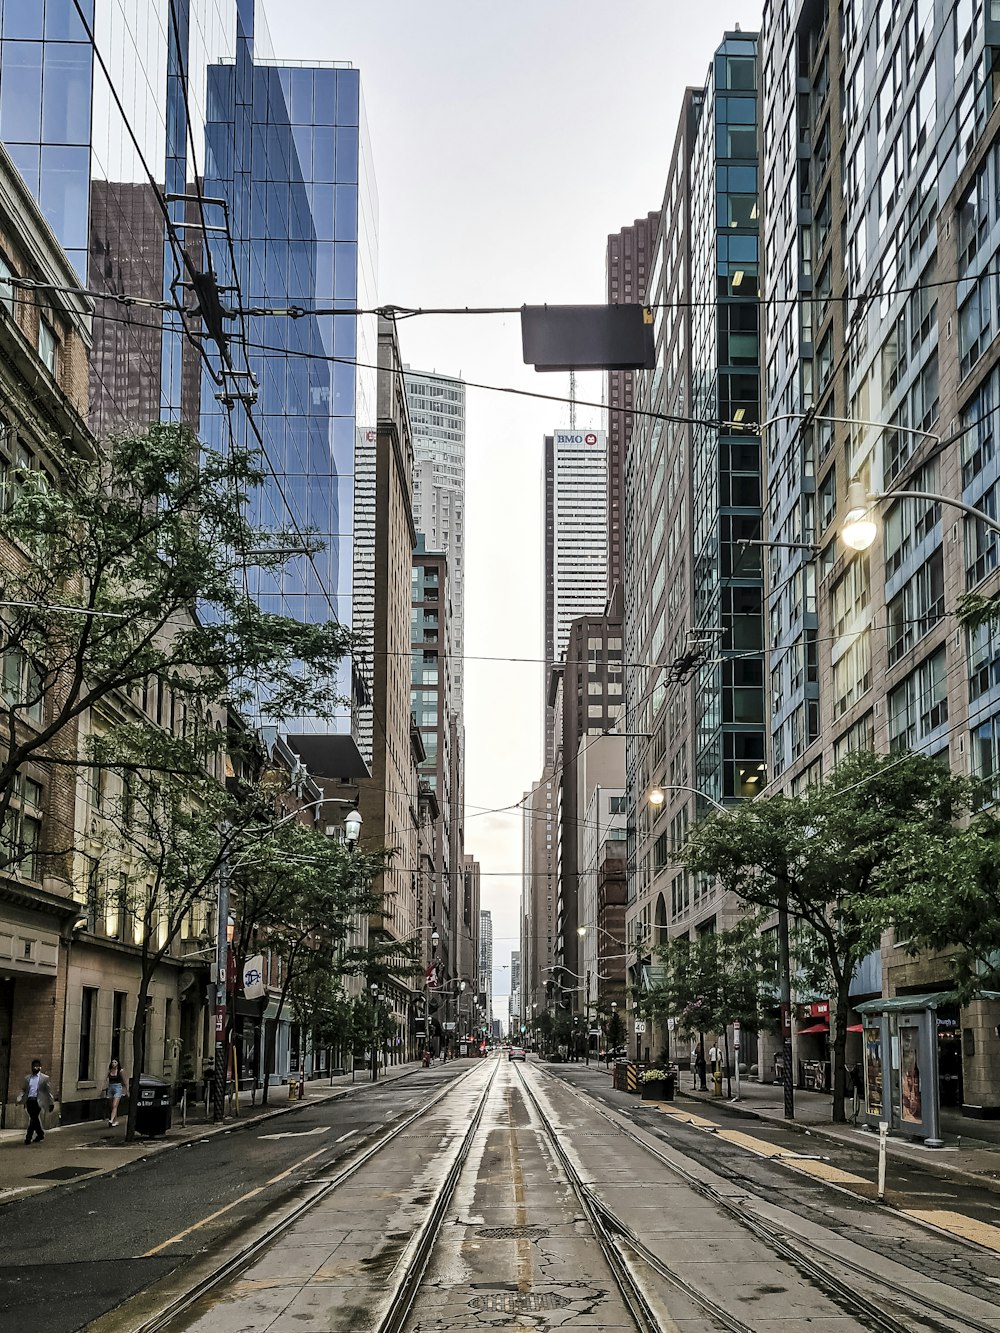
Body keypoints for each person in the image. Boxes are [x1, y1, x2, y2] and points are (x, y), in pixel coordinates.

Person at [17, 1058, 55, 1145]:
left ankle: (28, 1137)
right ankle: (40, 1134)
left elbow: (47, 1092)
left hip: (38, 1101)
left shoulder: (44, 1078)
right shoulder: (27, 1078)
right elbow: (24, 1090)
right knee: (34, 1118)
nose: (35, 1068)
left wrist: (51, 1102)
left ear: (40, 1067)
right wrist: (19, 1098)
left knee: (33, 1118)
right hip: (29, 1100)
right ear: (31, 1067)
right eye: (34, 1066)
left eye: (37, 1066)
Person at [101, 1058, 129, 1127]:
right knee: (112, 1106)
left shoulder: (120, 1071)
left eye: (115, 1062)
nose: (113, 1064)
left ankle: (111, 1120)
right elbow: (105, 1080)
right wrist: (102, 1088)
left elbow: (125, 1081)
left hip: (118, 1088)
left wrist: (127, 1090)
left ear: (118, 1063)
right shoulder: (109, 1071)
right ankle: (115, 1121)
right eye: (112, 1062)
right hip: (110, 1087)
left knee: (114, 1105)